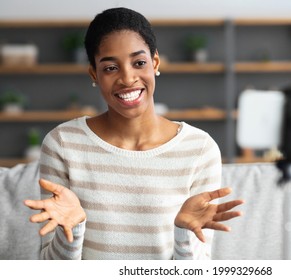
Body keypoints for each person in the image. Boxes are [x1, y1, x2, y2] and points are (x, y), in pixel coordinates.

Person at [24, 7, 244, 260]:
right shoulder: (63, 143)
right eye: (110, 68)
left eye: (139, 63)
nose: (128, 79)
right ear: (94, 74)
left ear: (155, 63)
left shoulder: (199, 148)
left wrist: (184, 234)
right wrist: (70, 231)